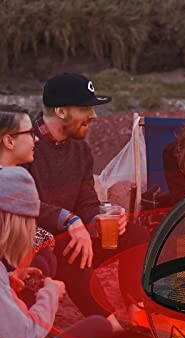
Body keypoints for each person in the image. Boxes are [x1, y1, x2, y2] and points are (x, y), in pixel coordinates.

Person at [0, 167, 163, 338]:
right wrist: (50, 294)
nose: (31, 231)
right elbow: (23, 337)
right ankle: (120, 331)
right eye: (28, 223)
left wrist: (10, 285)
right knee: (97, 325)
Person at [23, 73, 149, 324]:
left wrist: (101, 216)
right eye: (85, 108)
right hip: (31, 238)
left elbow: (87, 203)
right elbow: (22, 202)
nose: (94, 116)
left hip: (74, 232)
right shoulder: (23, 142)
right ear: (60, 111)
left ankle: (137, 314)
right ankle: (107, 326)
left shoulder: (81, 150)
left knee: (136, 235)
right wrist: (70, 221)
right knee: (73, 252)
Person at [0, 105, 56, 280]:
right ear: (9, 141)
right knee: (41, 261)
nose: (37, 139)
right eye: (30, 133)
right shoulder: (12, 183)